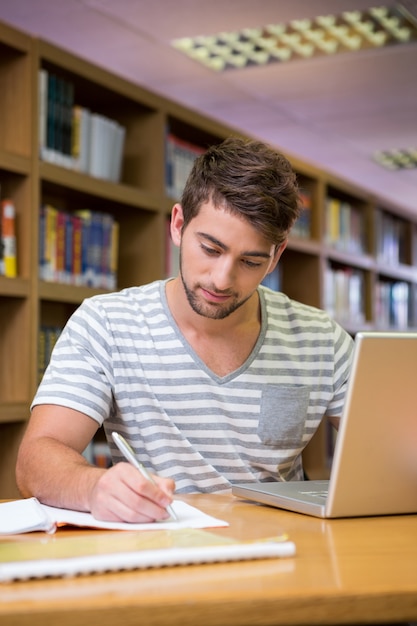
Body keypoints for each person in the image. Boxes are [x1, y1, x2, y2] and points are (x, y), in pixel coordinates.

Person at [16, 137, 354, 523]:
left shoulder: (321, 340)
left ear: (276, 256)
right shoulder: (106, 323)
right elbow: (36, 459)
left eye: (250, 261)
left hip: (285, 548)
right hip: (163, 544)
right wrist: (92, 487)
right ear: (178, 224)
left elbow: (393, 451)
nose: (222, 279)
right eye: (210, 249)